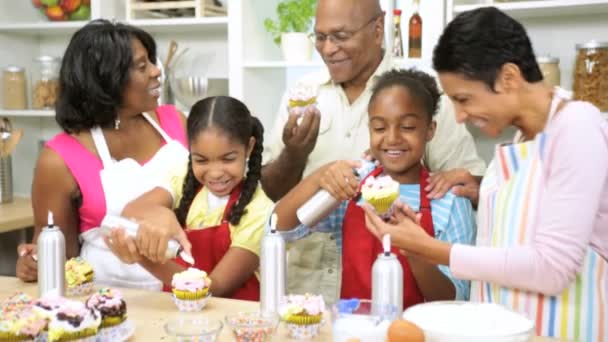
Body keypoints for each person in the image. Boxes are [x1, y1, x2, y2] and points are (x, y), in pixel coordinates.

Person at [363, 7, 608, 340]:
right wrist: (483, 190)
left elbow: (552, 269)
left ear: (508, 78)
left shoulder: (578, 126)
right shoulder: (521, 142)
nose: (460, 116)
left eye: (464, 99)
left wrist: (429, 248)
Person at [261, 0, 485, 300]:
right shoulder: (304, 95)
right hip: (316, 295)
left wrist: (417, 243)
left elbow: (473, 191)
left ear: (378, 29)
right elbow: (278, 221)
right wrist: (300, 158)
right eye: (321, 37)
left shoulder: (427, 96)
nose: (328, 49)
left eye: (340, 36)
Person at [274, 69, 476, 305]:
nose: (392, 139)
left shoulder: (449, 201)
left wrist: (415, 249)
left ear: (430, 130)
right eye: (380, 128)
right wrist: (320, 176)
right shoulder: (353, 187)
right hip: (354, 331)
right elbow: (280, 228)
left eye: (408, 127)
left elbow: (456, 299)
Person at [15, 19, 189, 290]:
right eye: (142, 66)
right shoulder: (59, 158)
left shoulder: (176, 122)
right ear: (107, 81)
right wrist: (34, 261)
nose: (157, 71)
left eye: (151, 61)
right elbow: (59, 250)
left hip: (187, 286)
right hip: (108, 298)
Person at [107, 96, 272, 300]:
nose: (215, 173)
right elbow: (131, 211)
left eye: (228, 159)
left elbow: (214, 288)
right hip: (179, 319)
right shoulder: (183, 180)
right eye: (201, 160)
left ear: (249, 147)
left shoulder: (260, 211)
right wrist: (160, 214)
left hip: (234, 322)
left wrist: (144, 259)